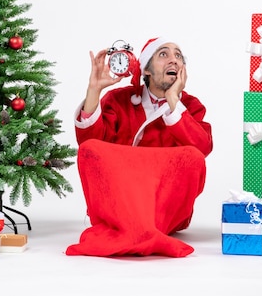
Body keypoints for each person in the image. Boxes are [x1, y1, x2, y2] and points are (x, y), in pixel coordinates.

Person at [65, 37, 213, 258]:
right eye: (163, 54)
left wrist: (173, 100)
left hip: (163, 208)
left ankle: (138, 231)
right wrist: (94, 90)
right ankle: (138, 230)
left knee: (193, 156)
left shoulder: (190, 106)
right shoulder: (119, 100)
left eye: (178, 56)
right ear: (146, 70)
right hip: (120, 201)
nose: (174, 60)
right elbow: (90, 142)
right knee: (90, 150)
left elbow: (202, 148)